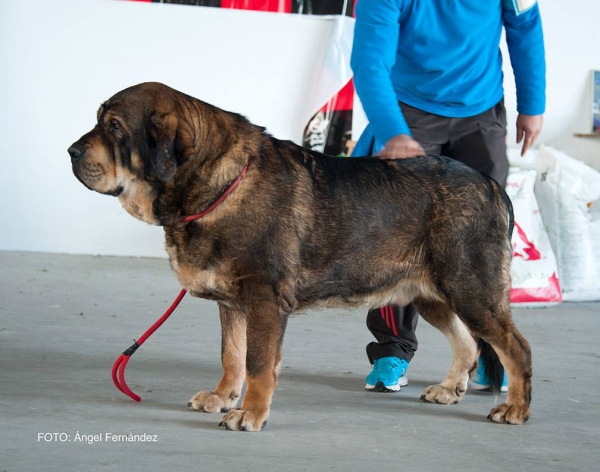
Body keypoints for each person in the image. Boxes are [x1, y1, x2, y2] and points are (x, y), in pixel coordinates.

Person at [350, 0, 546, 392]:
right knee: (393, 240)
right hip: (408, 112)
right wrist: (393, 131)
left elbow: (526, 28)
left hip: (482, 113)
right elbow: (370, 61)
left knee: (484, 244)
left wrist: (533, 104)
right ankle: (393, 349)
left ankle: (492, 352)